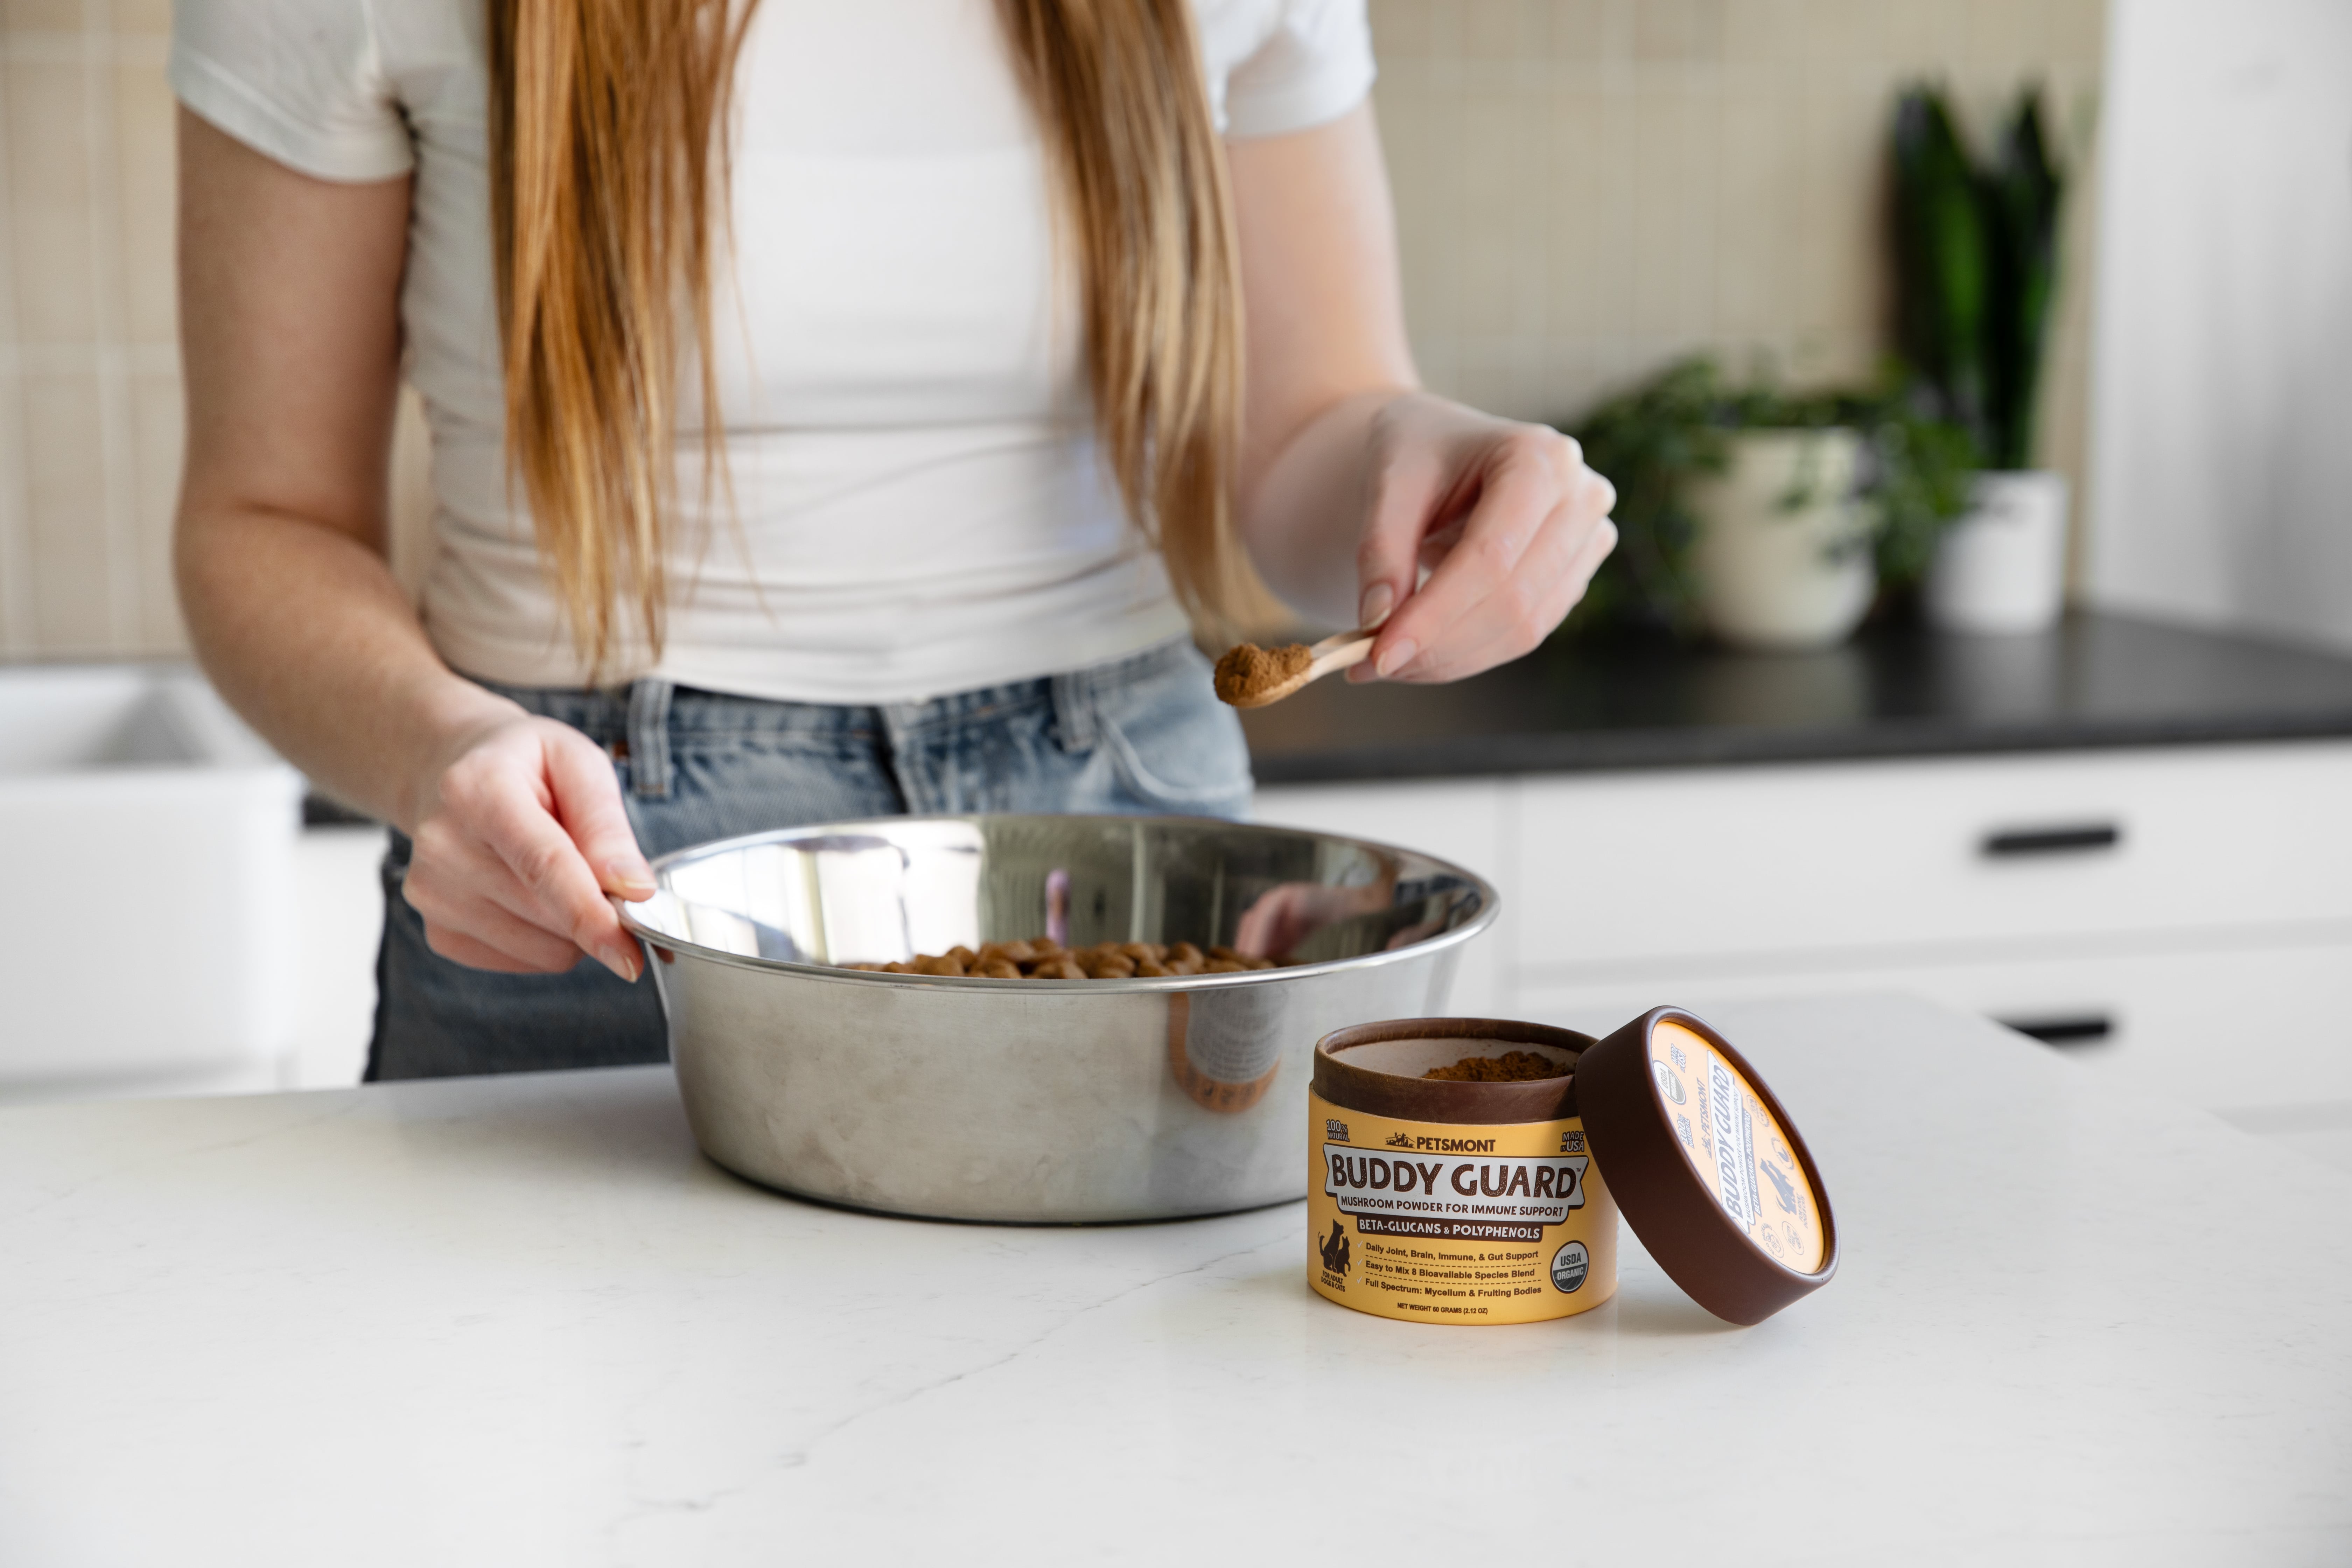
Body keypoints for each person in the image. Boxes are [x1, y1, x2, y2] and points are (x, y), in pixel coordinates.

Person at [170, 0, 1618, 1080]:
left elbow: (1302, 430)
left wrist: (1420, 470)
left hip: (1129, 847)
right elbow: (264, 520)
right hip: (595, 877)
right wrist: (436, 750)